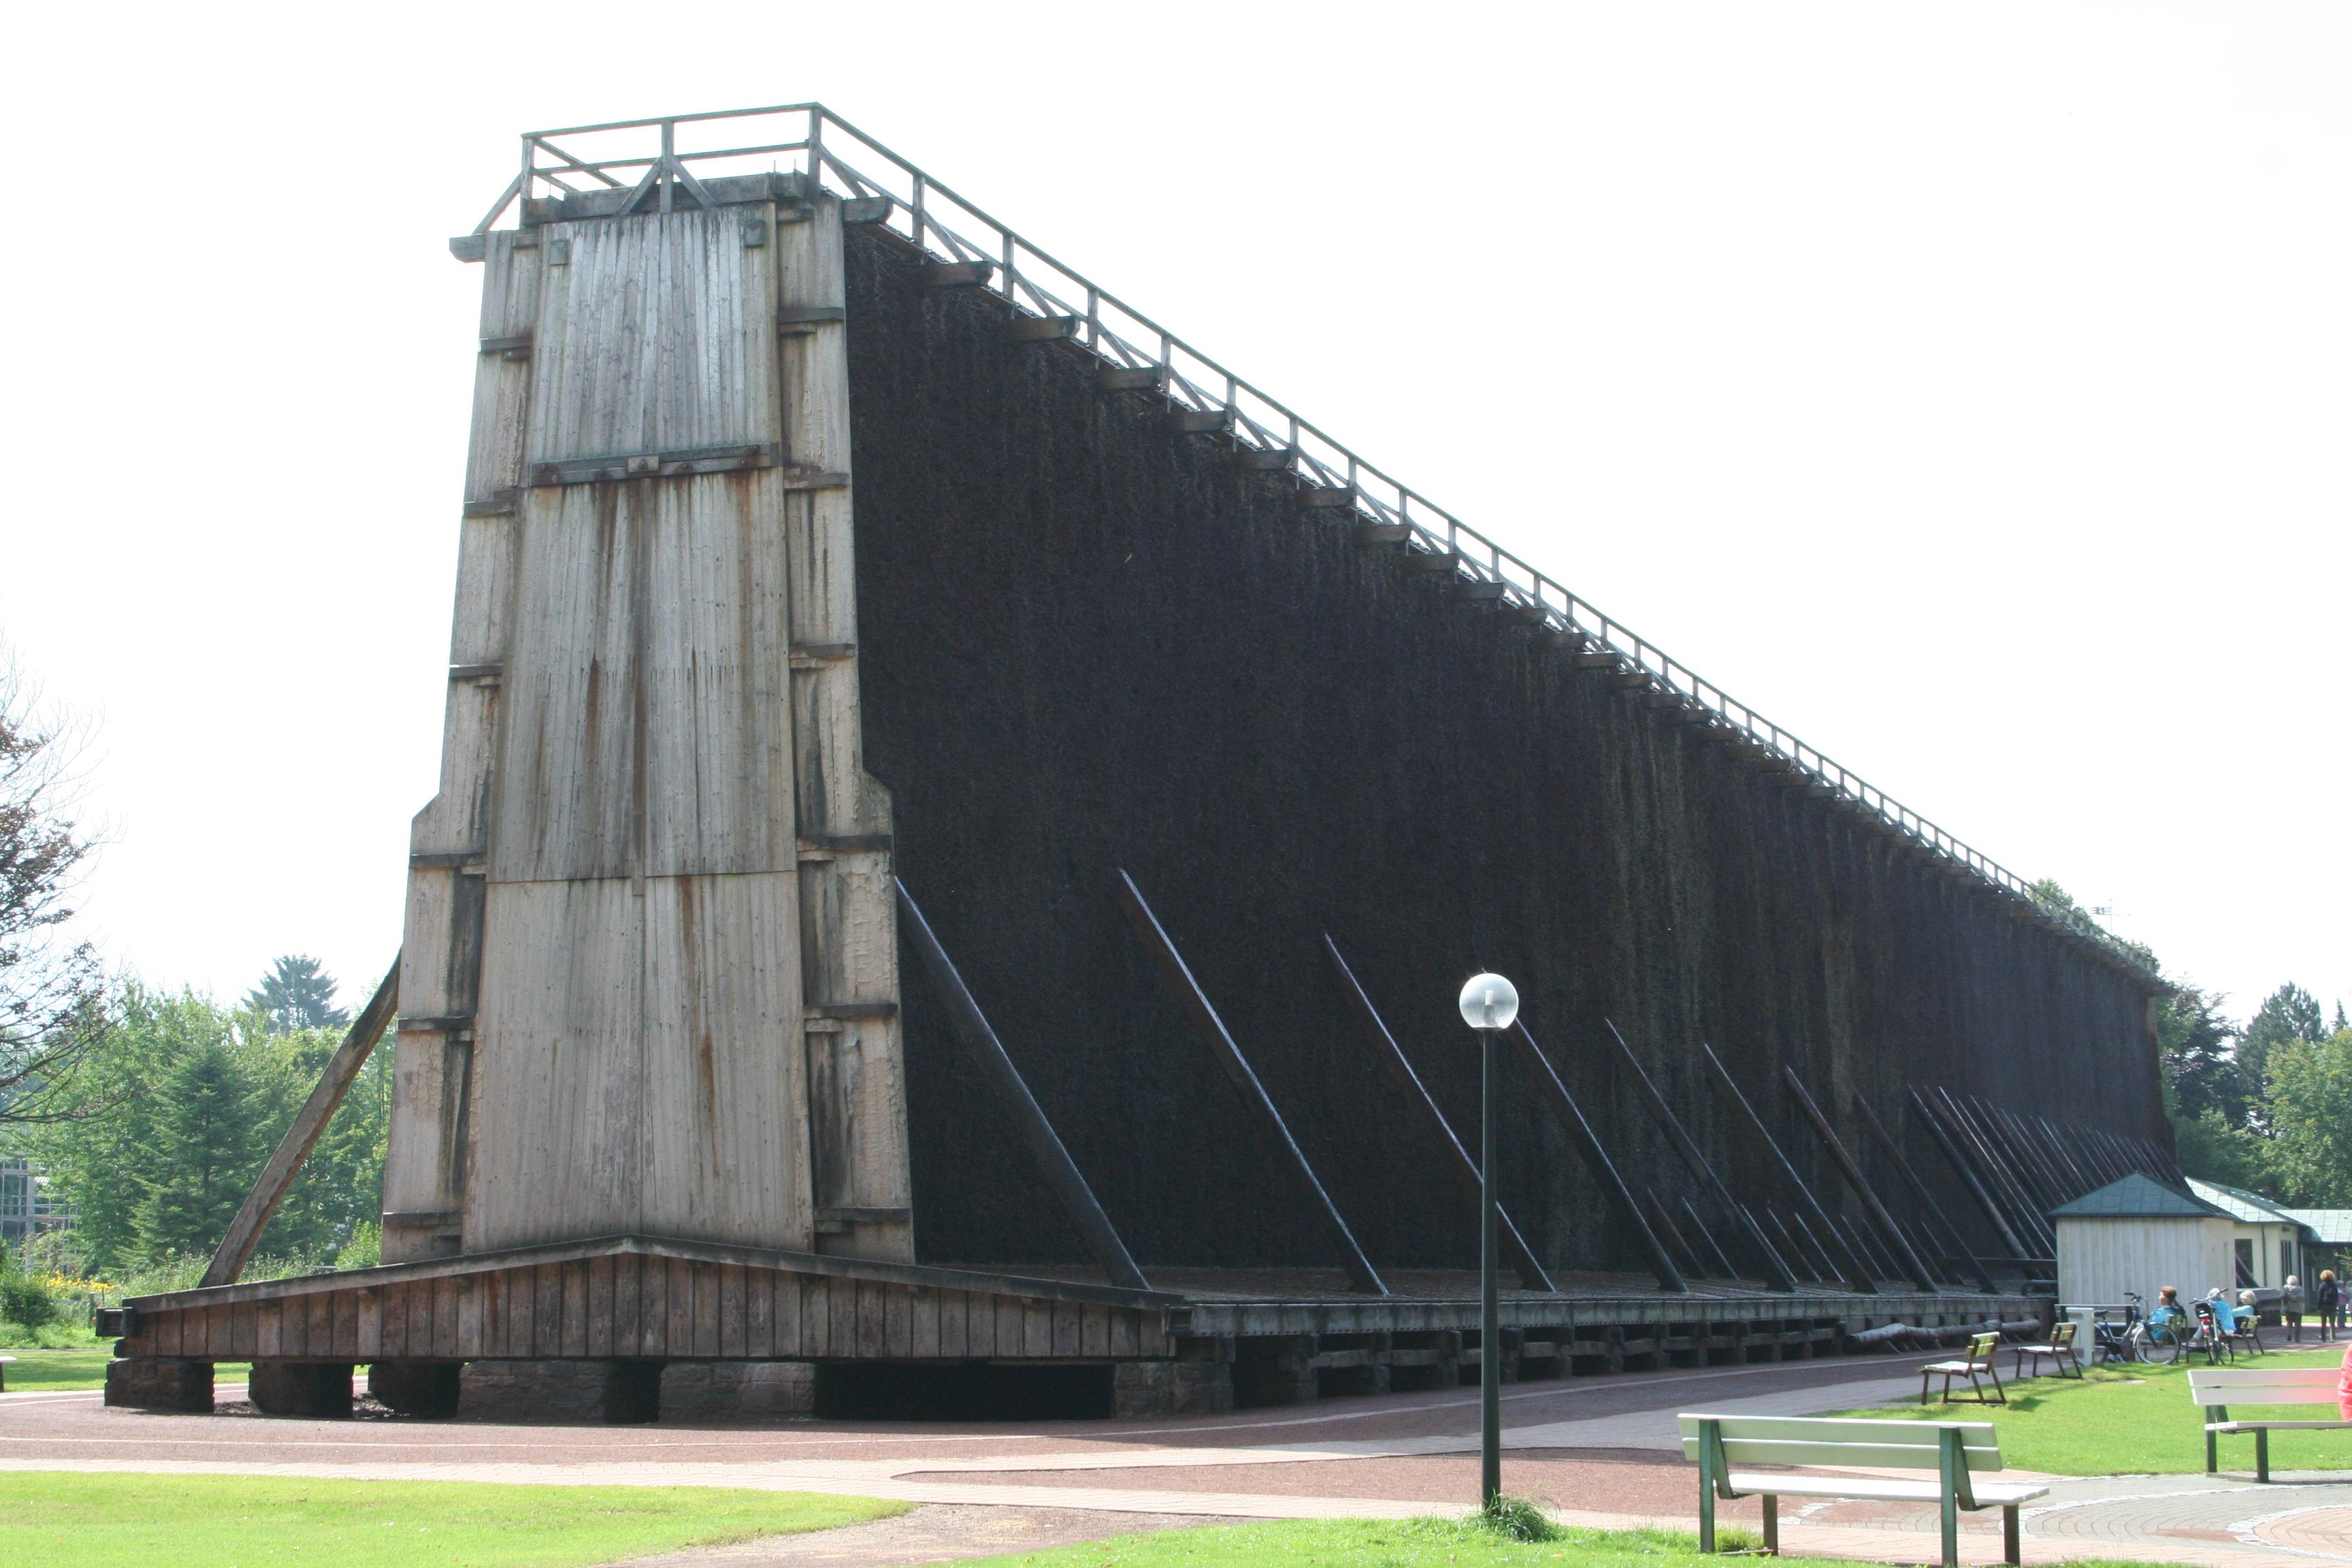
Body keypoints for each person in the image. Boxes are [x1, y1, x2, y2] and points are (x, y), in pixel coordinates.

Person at [2319, 1271, 2342, 1343]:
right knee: (2332, 1323)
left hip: (2324, 1306)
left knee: (2323, 1322)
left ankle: (2323, 1338)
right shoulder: (2334, 1286)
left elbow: (2320, 1297)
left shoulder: (2322, 1285)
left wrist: (2319, 1307)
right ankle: (2333, 1338)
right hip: (2332, 1306)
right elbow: (2337, 1296)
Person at [2284, 1275, 2306, 1343]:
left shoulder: (2286, 1288)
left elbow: (2282, 1296)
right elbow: (2303, 1297)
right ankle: (2297, 1338)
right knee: (2298, 1324)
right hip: (2298, 1309)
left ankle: (2289, 1335)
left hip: (2289, 1308)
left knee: (2289, 1323)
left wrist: (2288, 1297)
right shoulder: (2300, 1289)